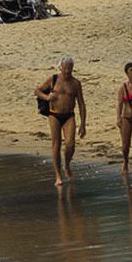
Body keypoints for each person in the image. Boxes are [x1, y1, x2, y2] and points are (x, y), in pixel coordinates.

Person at [34, 56, 87, 186]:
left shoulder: (75, 83)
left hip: (69, 115)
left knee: (70, 144)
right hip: (54, 114)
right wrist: (47, 97)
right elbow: (37, 91)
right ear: (60, 67)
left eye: (70, 68)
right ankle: (58, 175)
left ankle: (67, 164)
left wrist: (83, 124)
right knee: (56, 145)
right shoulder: (53, 79)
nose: (68, 71)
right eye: (65, 68)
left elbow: (81, 103)